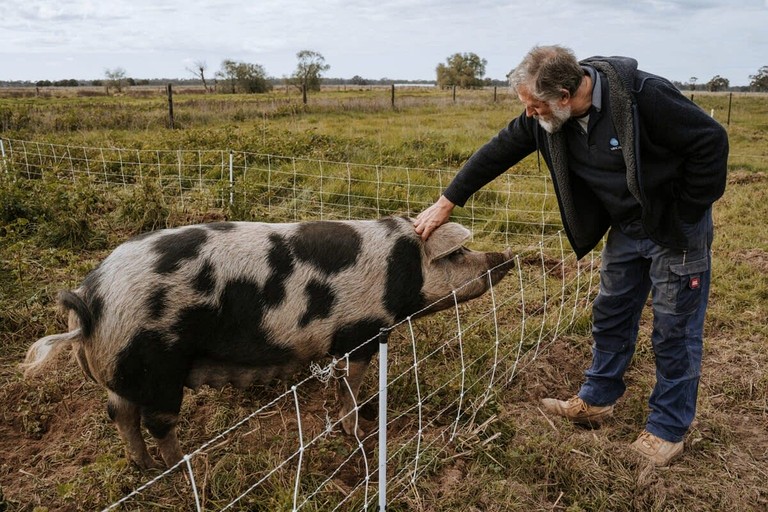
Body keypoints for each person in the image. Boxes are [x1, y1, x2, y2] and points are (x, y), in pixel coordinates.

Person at [413, 45, 728, 466]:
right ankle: (596, 399)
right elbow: (499, 149)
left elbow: (711, 141)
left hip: (674, 230)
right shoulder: (547, 117)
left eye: (535, 105)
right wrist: (447, 201)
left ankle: (668, 429)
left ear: (565, 95)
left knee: (674, 330)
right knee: (611, 313)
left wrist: (685, 211)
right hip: (627, 227)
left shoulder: (643, 95)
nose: (529, 114)